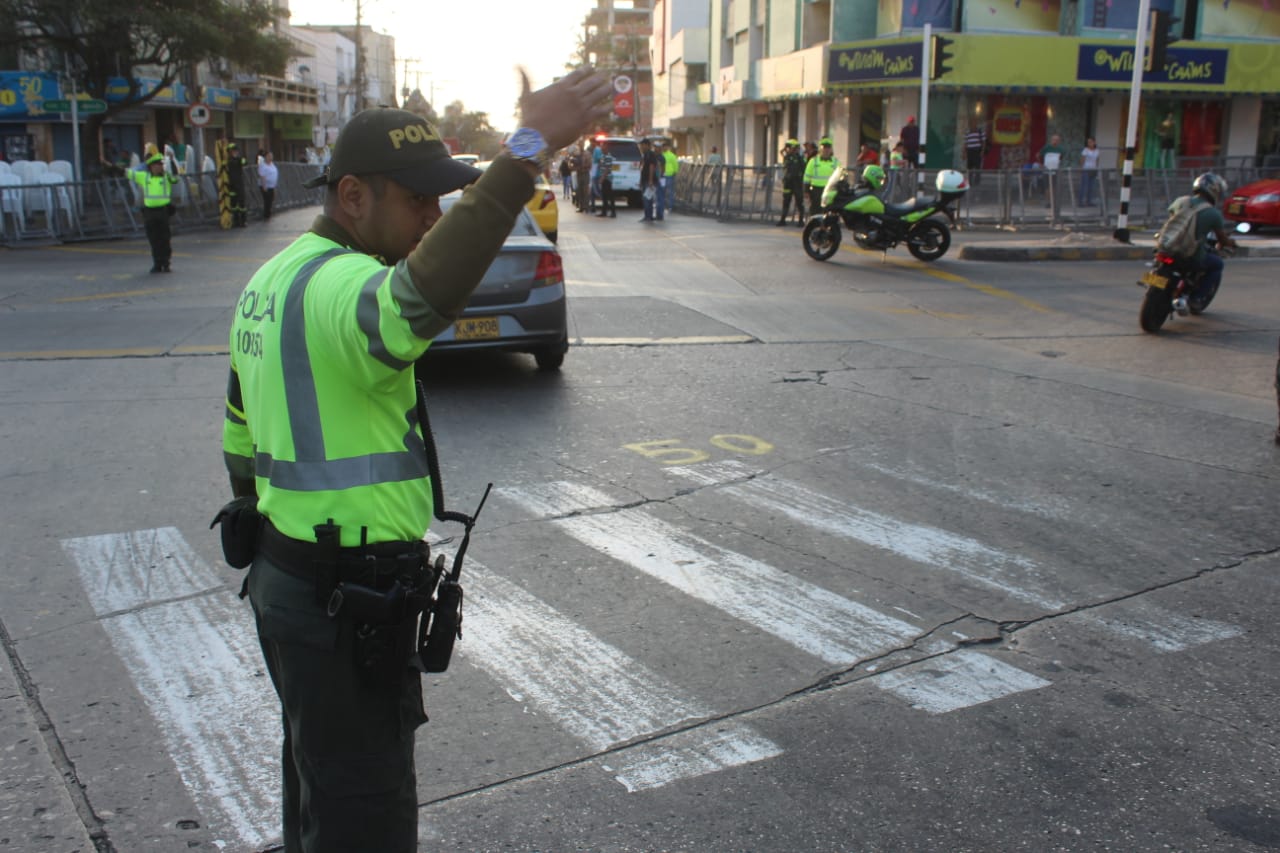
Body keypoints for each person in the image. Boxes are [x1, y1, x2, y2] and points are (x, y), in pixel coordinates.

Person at [220, 68, 611, 853]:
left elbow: (240, 435)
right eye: (419, 200)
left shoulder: (272, 280)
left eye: (443, 199)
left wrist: (277, 543)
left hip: (288, 584)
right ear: (354, 196)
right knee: (366, 815)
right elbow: (419, 305)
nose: (434, 218)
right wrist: (526, 149)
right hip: (339, 604)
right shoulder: (341, 286)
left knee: (319, 793)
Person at [1161, 172, 1237, 315]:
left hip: (1165, 246)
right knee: (1217, 264)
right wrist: (1230, 242)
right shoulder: (1213, 214)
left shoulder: (1180, 201)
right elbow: (1222, 239)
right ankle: (1196, 299)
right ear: (1214, 191)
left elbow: (1172, 219)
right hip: (1189, 254)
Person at [131, 150, 179, 273]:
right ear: (151, 166)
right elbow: (129, 173)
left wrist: (172, 161)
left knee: (165, 238)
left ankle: (166, 263)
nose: (161, 167)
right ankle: (157, 263)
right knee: (154, 239)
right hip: (149, 213)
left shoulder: (166, 176)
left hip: (163, 212)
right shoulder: (144, 177)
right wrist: (110, 167)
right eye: (158, 165)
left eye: (161, 164)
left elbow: (176, 179)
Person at [803, 137, 839, 214]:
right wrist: (806, 190)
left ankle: (827, 225)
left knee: (829, 211)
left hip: (830, 190)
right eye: (824, 147)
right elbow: (807, 177)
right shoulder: (813, 161)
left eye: (828, 148)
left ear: (831, 149)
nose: (826, 150)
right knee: (815, 211)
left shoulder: (836, 162)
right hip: (816, 190)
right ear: (820, 148)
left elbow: (840, 177)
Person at [777, 138, 806, 227]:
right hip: (788, 183)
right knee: (786, 201)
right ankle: (783, 220)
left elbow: (804, 168)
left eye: (790, 147)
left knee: (799, 202)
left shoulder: (800, 158)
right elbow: (782, 152)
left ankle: (801, 221)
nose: (788, 149)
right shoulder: (787, 157)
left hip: (797, 183)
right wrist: (786, 148)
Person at [639, 137, 663, 222]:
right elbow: (642, 168)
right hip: (645, 180)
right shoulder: (645, 155)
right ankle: (647, 215)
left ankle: (648, 216)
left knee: (647, 198)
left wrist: (650, 180)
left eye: (642, 145)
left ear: (647, 145)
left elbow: (652, 167)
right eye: (641, 145)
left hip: (649, 181)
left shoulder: (650, 154)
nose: (641, 147)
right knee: (646, 198)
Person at [225, 141, 248, 227]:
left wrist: (240, 159)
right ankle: (236, 221)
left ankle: (243, 221)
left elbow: (245, 162)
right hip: (231, 185)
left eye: (234, 151)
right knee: (233, 204)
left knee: (242, 204)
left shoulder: (239, 159)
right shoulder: (228, 161)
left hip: (239, 184)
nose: (233, 152)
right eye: (231, 151)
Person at [596, 140, 616, 218]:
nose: (601, 148)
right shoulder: (602, 156)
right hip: (603, 178)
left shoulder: (608, 156)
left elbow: (607, 169)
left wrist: (602, 178)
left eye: (603, 146)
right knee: (604, 196)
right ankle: (604, 211)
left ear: (606, 147)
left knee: (610, 196)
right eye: (601, 146)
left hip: (607, 179)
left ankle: (613, 212)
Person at [258, 150, 279, 221]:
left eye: (271, 156)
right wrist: (264, 186)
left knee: (271, 199)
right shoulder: (263, 165)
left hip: (272, 186)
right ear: (266, 157)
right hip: (266, 186)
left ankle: (269, 213)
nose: (271, 157)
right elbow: (262, 176)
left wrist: (275, 186)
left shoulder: (272, 164)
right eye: (269, 156)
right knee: (267, 200)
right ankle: (267, 215)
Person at [1078, 137, 1100, 206]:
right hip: (1086, 169)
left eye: (1091, 142)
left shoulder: (1097, 151)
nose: (1089, 143)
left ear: (1094, 142)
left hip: (1093, 170)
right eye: (1088, 142)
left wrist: (1096, 168)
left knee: (1091, 186)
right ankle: (1080, 202)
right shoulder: (1085, 150)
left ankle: (1089, 201)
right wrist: (1081, 168)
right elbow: (1082, 160)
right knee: (1084, 186)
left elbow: (1097, 160)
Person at [575, 138, 593, 212]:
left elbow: (590, 164)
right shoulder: (577, 153)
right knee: (580, 191)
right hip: (579, 174)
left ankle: (586, 206)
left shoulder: (587, 153)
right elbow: (572, 163)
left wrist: (583, 166)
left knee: (586, 191)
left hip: (585, 174)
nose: (580, 145)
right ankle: (581, 206)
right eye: (579, 144)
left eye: (582, 144)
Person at [662, 142, 679, 214]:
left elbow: (675, 164)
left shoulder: (672, 156)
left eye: (666, 146)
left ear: (668, 147)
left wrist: (675, 172)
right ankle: (664, 205)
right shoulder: (661, 155)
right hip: (662, 175)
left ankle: (670, 206)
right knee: (663, 191)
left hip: (669, 175)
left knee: (669, 191)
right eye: (663, 147)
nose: (664, 148)